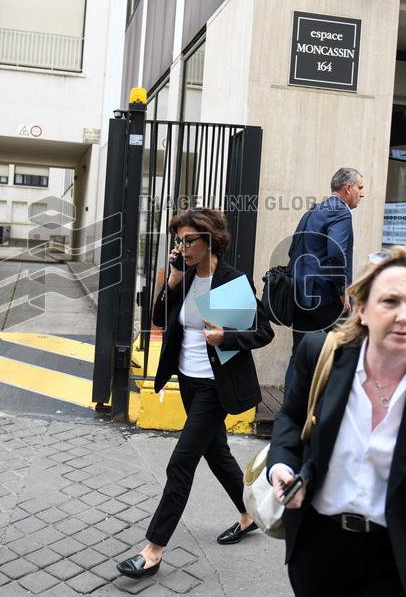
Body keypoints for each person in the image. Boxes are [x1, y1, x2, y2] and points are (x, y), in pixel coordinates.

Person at [268, 246, 406, 596]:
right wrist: (281, 465)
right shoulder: (320, 355)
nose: (404, 315)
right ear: (362, 310)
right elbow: (292, 420)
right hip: (320, 550)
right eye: (390, 301)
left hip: (405, 557)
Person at [115, 208, 274, 579]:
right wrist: (171, 280)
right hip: (187, 380)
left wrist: (226, 338)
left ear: (210, 240)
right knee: (217, 452)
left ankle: (153, 549)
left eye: (189, 240)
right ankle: (250, 513)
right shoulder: (184, 278)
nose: (182, 247)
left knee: (181, 463)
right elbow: (157, 319)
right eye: (179, 241)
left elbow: (264, 332)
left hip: (215, 388)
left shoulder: (233, 282)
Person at [285, 167, 364, 392]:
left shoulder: (315, 210)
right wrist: (342, 290)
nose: (362, 193)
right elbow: (337, 253)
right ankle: (322, 410)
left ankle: (292, 409)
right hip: (325, 296)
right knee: (335, 354)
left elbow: (293, 250)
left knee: (300, 353)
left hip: (301, 294)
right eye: (360, 188)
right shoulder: (341, 211)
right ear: (348, 188)